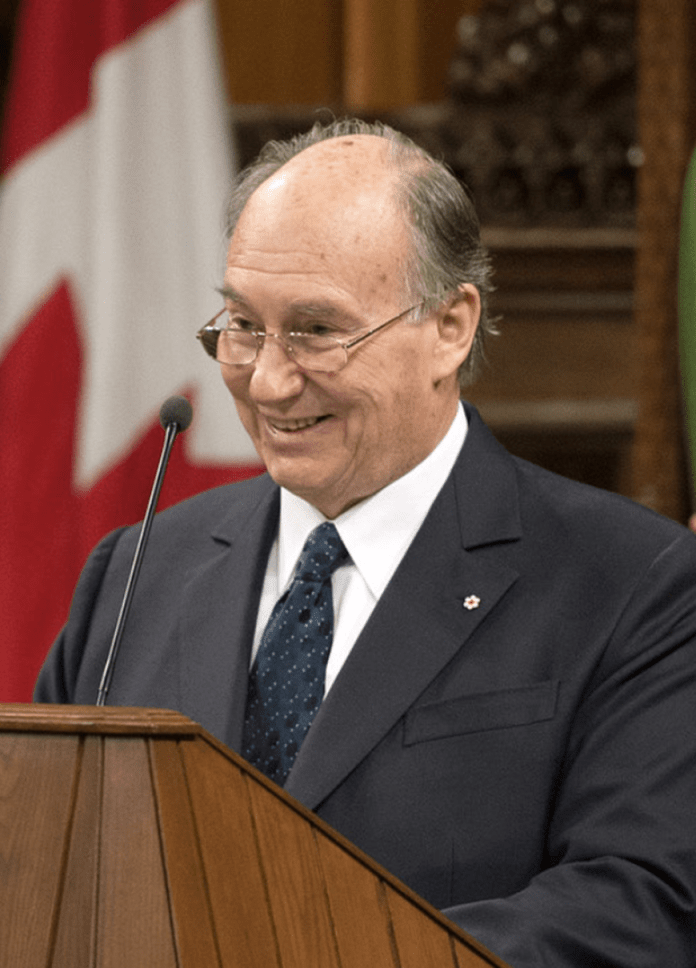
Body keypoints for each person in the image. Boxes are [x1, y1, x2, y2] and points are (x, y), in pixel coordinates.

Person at [34, 118, 696, 967]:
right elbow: (39, 861)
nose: (268, 381)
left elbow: (638, 907)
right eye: (241, 325)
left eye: (314, 329)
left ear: (450, 327)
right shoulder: (137, 572)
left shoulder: (634, 584)